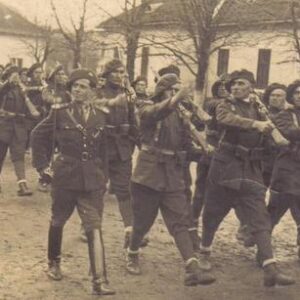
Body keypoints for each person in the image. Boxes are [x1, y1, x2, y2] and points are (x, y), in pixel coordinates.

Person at [199, 69, 295, 287]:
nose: (235, 87)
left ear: (251, 86)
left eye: (241, 84)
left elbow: (270, 136)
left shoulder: (258, 107)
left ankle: (270, 267)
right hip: (225, 167)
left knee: (260, 216)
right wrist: (256, 124)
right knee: (213, 211)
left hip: (251, 170)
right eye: (233, 84)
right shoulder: (225, 105)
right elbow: (225, 120)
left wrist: (276, 140)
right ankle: (204, 250)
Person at [125, 73, 216, 286]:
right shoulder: (146, 107)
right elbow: (153, 114)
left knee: (180, 221)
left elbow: (184, 145)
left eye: (178, 91)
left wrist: (204, 152)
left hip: (172, 175)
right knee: (142, 222)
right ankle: (132, 251)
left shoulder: (180, 115)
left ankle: (192, 268)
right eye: (173, 90)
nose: (177, 95)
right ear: (163, 91)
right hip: (148, 175)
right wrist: (174, 100)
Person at [31, 69, 115, 296]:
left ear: (92, 90)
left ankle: (99, 279)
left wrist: (104, 176)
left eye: (83, 86)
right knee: (58, 220)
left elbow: (105, 150)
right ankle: (54, 262)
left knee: (94, 226)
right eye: (75, 86)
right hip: (65, 177)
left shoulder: (101, 115)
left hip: (92, 180)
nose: (78, 90)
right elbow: (37, 136)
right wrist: (42, 168)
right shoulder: (60, 113)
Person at [96, 59, 138, 248]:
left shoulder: (127, 95)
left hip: (122, 148)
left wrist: (138, 141)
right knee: (98, 188)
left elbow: (133, 120)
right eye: (117, 72)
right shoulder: (97, 92)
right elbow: (93, 106)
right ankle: (89, 226)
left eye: (123, 73)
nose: (121, 76)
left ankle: (130, 230)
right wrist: (112, 102)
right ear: (107, 74)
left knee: (124, 190)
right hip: (102, 147)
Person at [268, 80, 300, 260]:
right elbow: (291, 132)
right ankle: (262, 248)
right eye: (297, 93)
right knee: (275, 209)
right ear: (291, 96)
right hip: (286, 170)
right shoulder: (284, 115)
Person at [0, 65, 37, 196]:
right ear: (8, 76)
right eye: (14, 75)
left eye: (18, 76)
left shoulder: (22, 91)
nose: (18, 78)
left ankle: (22, 185)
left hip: (18, 128)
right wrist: (8, 83)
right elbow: (2, 90)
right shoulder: (4, 88)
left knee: (18, 157)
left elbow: (30, 110)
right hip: (3, 127)